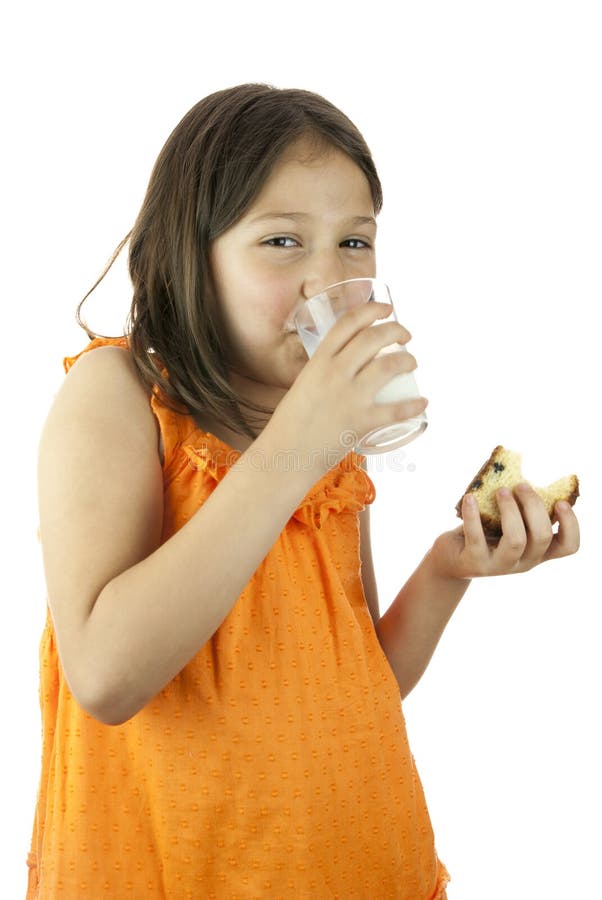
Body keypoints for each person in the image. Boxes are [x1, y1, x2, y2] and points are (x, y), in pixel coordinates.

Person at [26, 83, 580, 900]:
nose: (330, 280)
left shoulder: (317, 432)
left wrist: (448, 570)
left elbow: (354, 679)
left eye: (356, 243)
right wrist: (303, 442)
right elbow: (107, 676)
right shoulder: (119, 396)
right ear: (192, 254)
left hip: (364, 868)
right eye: (282, 240)